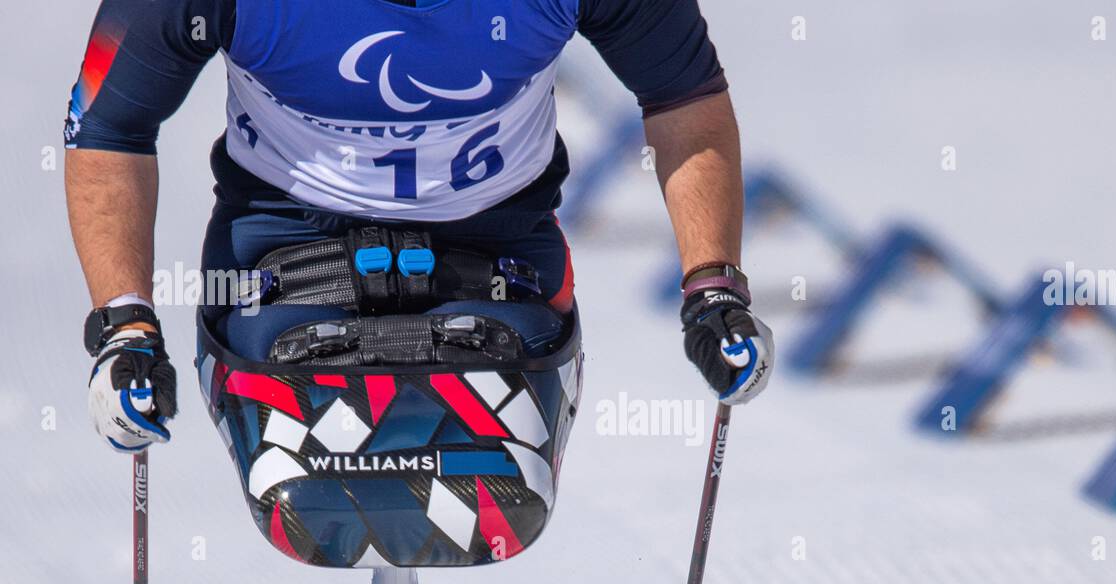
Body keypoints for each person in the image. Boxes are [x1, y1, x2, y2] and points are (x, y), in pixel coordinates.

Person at [66, 0, 773, 453]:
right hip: (284, 235)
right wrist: (125, 326)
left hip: (496, 240)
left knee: (504, 448)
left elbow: (686, 101)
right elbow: (108, 128)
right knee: (294, 445)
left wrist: (713, 290)